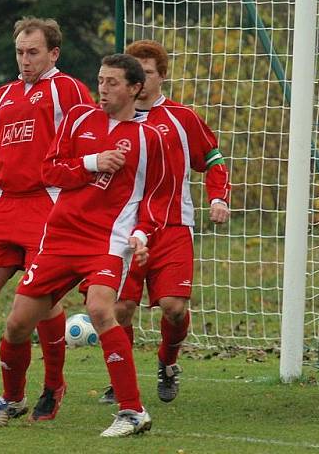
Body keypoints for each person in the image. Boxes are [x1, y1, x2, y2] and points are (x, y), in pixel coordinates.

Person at [0, 53, 172, 437]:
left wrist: (141, 235)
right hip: (60, 237)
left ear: (135, 88)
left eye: (113, 82)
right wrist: (92, 162)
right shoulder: (79, 120)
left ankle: (133, 411)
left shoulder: (149, 138)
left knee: (101, 310)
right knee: (17, 325)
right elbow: (49, 171)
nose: (103, 88)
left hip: (107, 241)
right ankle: (13, 401)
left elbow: (156, 200)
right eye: (101, 80)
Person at [0, 17, 93, 422]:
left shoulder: (69, 89)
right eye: (19, 52)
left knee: (41, 303)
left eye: (33, 52)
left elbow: (91, 142)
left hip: (47, 204)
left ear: (53, 53)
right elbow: (1, 158)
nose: (25, 60)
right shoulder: (4, 95)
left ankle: (52, 386)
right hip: (5, 204)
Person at [98, 39, 231, 406]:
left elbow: (214, 160)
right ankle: (120, 377)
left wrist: (218, 197)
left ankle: (167, 363)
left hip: (171, 226)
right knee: (120, 309)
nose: (141, 80)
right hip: (124, 229)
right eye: (136, 74)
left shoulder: (180, 118)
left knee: (174, 308)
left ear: (160, 78)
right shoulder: (107, 122)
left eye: (149, 73)